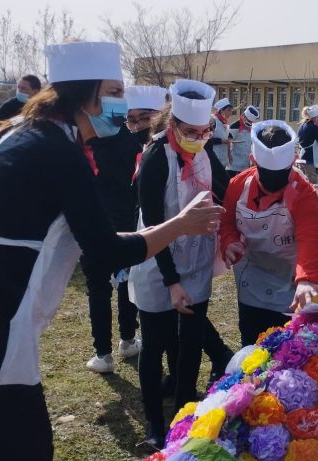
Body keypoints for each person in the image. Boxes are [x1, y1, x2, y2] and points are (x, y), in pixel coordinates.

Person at [0, 42, 221, 460]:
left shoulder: (24, 132)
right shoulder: (56, 149)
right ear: (86, 95)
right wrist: (182, 224)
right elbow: (107, 251)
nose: (122, 101)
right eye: (114, 90)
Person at [130, 79, 235, 448]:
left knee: (190, 343)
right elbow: (155, 227)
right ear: (173, 125)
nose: (200, 137)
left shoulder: (205, 152)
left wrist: (234, 235)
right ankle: (155, 423)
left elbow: (225, 189)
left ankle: (186, 412)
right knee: (155, 343)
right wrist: (172, 282)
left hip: (196, 260)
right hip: (157, 262)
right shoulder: (156, 159)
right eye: (192, 132)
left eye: (206, 131)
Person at [220, 120, 318, 344]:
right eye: (267, 175)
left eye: (281, 175)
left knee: (284, 343)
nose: (274, 184)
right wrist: (229, 242)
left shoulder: (304, 194)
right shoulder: (238, 185)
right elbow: (227, 222)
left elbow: (309, 239)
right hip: (251, 272)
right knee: (250, 336)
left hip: (288, 277)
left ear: (293, 162)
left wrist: (305, 280)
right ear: (253, 161)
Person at [79, 86, 154, 374]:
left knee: (98, 288)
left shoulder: (88, 144)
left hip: (94, 225)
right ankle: (127, 338)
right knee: (124, 283)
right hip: (127, 224)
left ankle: (103, 354)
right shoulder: (134, 146)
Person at [297, 104, 318, 185]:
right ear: (316, 117)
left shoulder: (302, 125)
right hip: (310, 160)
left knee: (303, 183)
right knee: (312, 185)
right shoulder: (314, 127)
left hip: (302, 158)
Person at [227, 105, 259, 178]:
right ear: (243, 116)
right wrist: (228, 155)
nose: (249, 124)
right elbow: (228, 142)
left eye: (251, 122)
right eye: (248, 121)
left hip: (246, 164)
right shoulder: (234, 126)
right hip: (234, 164)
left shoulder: (252, 128)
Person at [210, 97, 234, 168]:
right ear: (221, 110)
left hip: (223, 161)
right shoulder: (213, 121)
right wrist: (220, 141)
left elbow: (227, 141)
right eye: (228, 110)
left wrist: (229, 155)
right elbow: (206, 140)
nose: (230, 113)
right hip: (213, 160)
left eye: (231, 110)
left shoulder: (225, 123)